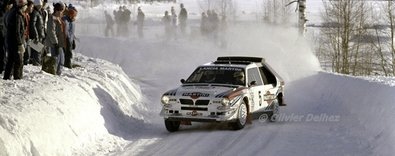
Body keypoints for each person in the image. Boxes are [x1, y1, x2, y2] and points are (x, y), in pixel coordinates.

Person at [3, 0, 27, 80]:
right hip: (15, 42)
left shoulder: (12, 12)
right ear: (22, 5)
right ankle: (18, 78)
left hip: (10, 40)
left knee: (10, 60)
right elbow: (17, 31)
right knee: (18, 61)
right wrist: (20, 44)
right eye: (25, 5)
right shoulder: (17, 14)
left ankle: (6, 77)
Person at [45, 2, 65, 75]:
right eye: (61, 11)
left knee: (61, 60)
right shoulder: (52, 18)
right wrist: (55, 43)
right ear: (57, 10)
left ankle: (58, 73)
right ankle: (55, 74)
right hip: (55, 43)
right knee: (57, 60)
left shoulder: (58, 18)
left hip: (59, 43)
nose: (62, 13)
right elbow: (51, 31)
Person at [29, 0, 44, 65]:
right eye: (38, 6)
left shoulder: (38, 12)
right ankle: (36, 64)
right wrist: (36, 35)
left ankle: (37, 63)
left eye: (40, 5)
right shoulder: (35, 13)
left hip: (39, 34)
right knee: (37, 51)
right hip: (37, 35)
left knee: (38, 50)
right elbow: (33, 25)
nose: (40, 7)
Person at [63, 4, 77, 68]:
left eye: (74, 16)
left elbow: (72, 32)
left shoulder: (73, 21)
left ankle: (68, 64)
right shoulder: (66, 20)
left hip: (71, 39)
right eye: (72, 16)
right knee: (67, 53)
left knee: (69, 53)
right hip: (66, 39)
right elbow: (66, 30)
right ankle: (67, 65)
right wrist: (67, 39)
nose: (73, 17)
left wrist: (73, 40)